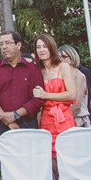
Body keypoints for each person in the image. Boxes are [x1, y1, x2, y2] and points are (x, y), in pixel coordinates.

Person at [0, 31, 42, 160]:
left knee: (29, 164)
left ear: (18, 45)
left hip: (27, 124)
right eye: (1, 44)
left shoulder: (32, 69)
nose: (4, 47)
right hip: (1, 125)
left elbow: (37, 99)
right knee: (1, 166)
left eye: (8, 43)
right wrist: (5, 118)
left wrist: (15, 115)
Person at [32, 34, 75, 163]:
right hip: (46, 119)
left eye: (45, 46)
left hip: (63, 118)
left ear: (51, 47)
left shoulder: (63, 67)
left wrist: (46, 95)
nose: (41, 50)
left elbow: (72, 94)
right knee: (51, 161)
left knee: (67, 158)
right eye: (38, 47)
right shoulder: (37, 70)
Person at [56, 46, 90, 127]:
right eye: (58, 57)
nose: (61, 60)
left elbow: (77, 105)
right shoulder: (59, 76)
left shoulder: (79, 77)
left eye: (64, 57)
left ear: (72, 56)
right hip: (61, 119)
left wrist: (64, 122)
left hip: (77, 121)